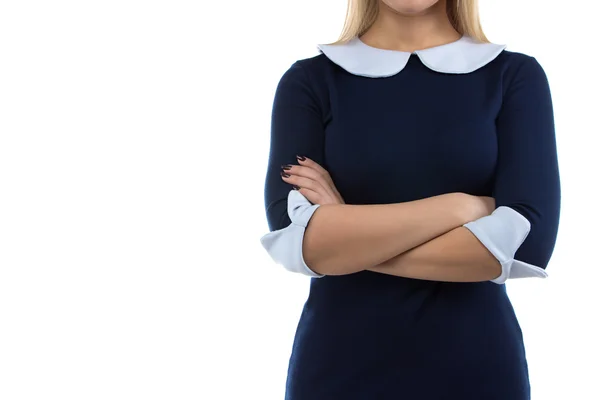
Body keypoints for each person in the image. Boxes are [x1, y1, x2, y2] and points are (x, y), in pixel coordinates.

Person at [260, 0, 561, 398]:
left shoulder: (512, 76)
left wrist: (345, 232)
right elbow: (293, 241)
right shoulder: (311, 81)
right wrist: (461, 207)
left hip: (477, 370)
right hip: (338, 368)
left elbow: (526, 245)